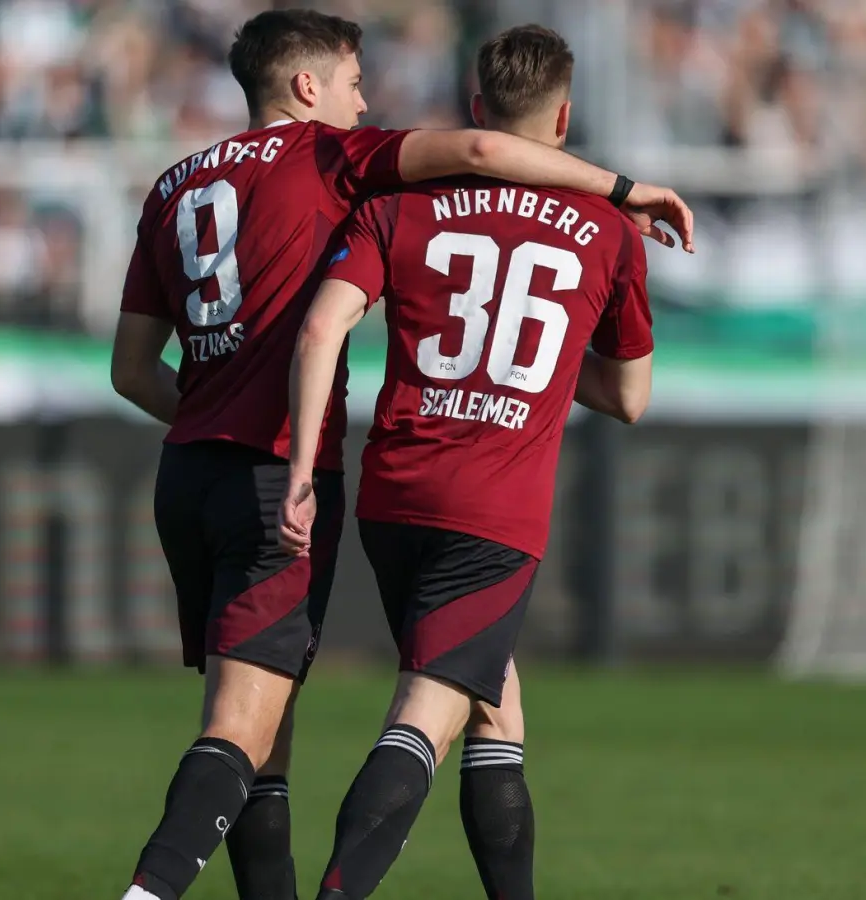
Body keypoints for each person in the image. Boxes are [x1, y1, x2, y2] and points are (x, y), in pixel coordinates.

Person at [110, 9, 691, 900]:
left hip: (199, 468)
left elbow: (129, 369)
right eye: (352, 82)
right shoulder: (337, 163)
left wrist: (211, 410)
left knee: (317, 727)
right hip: (327, 480)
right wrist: (621, 189)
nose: (364, 100)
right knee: (265, 729)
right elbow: (490, 165)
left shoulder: (177, 182)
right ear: (307, 88)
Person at [278, 24, 659, 900]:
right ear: (563, 119)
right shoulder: (608, 232)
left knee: (497, 708)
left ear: (477, 110)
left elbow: (326, 322)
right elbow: (629, 397)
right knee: (424, 716)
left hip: (395, 496)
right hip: (493, 516)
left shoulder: (394, 204)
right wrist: (549, 363)